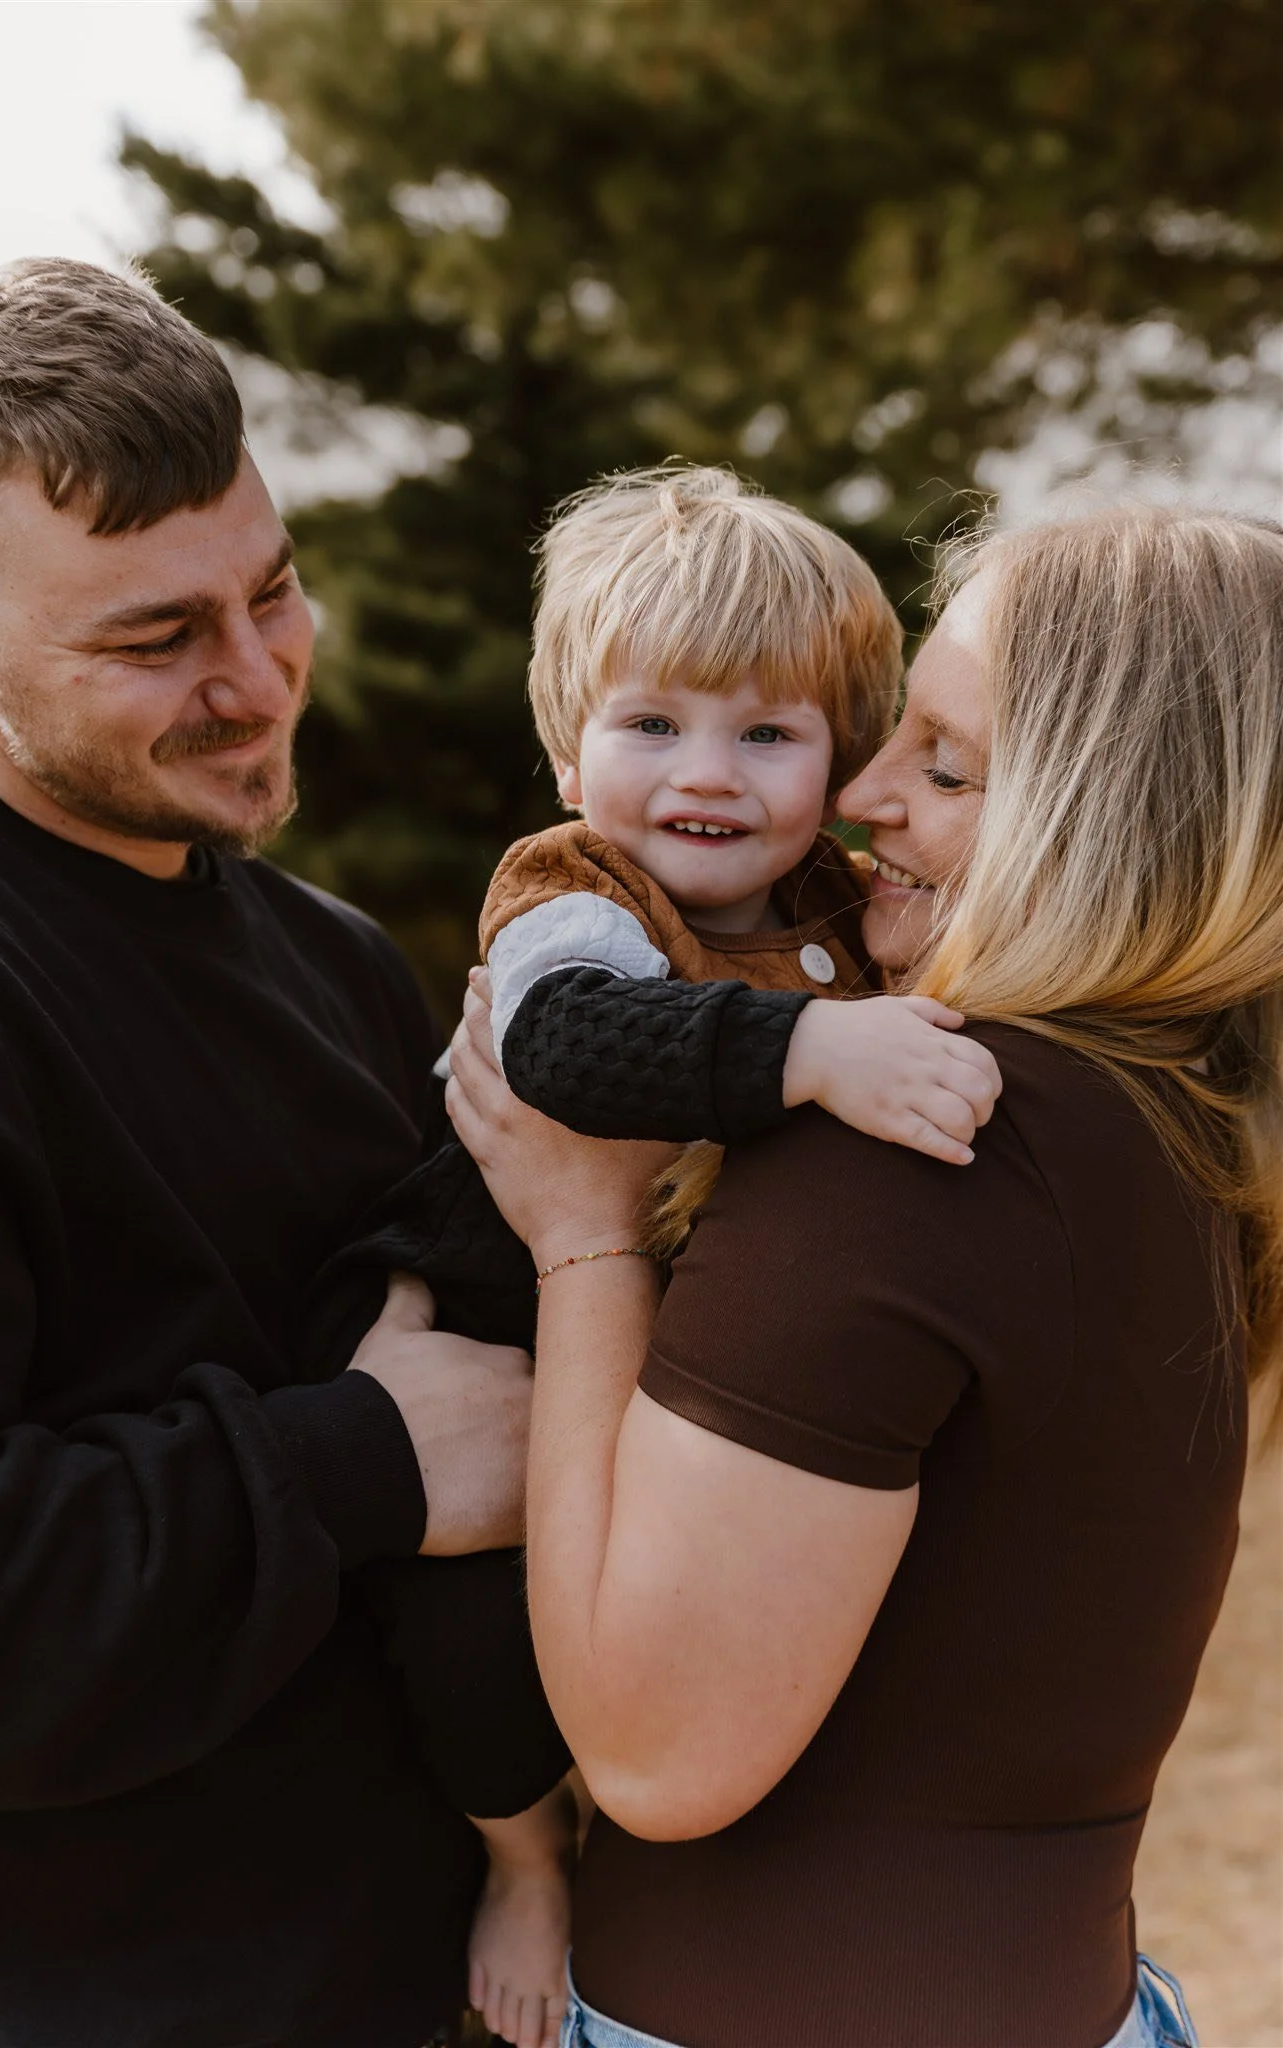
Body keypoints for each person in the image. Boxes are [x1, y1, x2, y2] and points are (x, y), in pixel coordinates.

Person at [448, 502, 1283, 2048]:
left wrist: (584, 1234)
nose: (864, 795)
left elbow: (654, 1752)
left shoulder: (920, 1128)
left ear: (1108, 821)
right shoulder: (1180, 1122)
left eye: (947, 767)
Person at [0, 256, 568, 2048]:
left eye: (272, 592)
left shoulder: (337, 955)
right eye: (153, 641)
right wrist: (360, 1461)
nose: (256, 677)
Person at [304, 463, 1003, 2048]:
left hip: (677, 1359)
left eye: (767, 733)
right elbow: (564, 1050)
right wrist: (814, 1057)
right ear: (569, 750)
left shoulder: (844, 903)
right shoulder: (572, 892)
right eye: (652, 725)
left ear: (837, 764)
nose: (708, 773)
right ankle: (522, 1860)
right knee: (474, 1663)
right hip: (490, 1324)